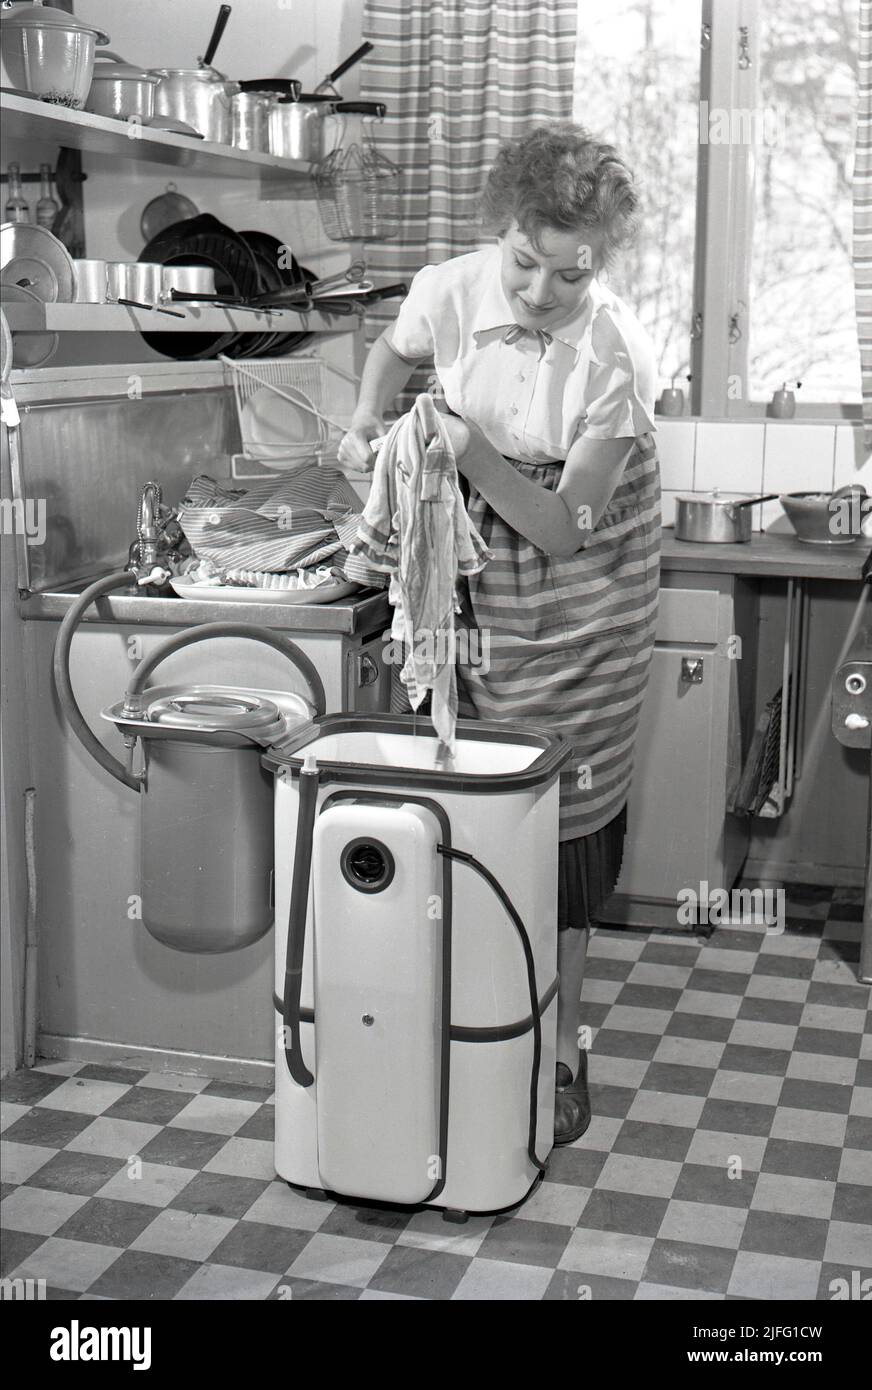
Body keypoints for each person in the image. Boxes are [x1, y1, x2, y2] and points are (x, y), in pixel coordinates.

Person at [338, 122, 661, 1144]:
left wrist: (464, 449)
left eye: (565, 276)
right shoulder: (451, 286)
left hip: (579, 604)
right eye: (521, 261)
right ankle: (478, 1022)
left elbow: (567, 529)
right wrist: (364, 423)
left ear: (598, 260)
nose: (533, 293)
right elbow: (393, 355)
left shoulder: (617, 358)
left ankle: (559, 1048)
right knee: (470, 821)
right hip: (475, 594)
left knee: (559, 840)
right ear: (503, 230)